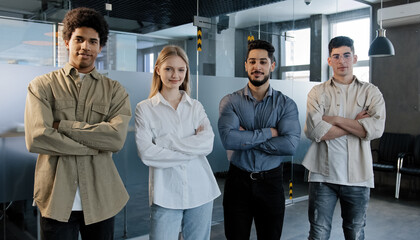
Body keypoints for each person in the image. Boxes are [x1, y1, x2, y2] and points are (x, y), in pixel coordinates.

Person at [24, 7, 131, 240]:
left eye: (93, 41)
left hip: (103, 197)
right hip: (56, 198)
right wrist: (95, 145)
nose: (85, 47)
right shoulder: (42, 86)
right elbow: (37, 137)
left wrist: (62, 126)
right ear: (66, 41)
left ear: (100, 47)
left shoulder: (115, 91)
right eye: (79, 39)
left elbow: (115, 138)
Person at [303, 36, 386, 240]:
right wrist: (356, 124)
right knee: (318, 234)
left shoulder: (371, 92)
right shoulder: (317, 92)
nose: (342, 61)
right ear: (330, 61)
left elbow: (375, 129)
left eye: (346, 55)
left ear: (355, 58)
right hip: (322, 176)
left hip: (359, 176)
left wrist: (334, 119)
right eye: (336, 56)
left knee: (355, 233)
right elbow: (315, 132)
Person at [134, 45, 221, 240]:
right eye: (169, 69)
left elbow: (207, 144)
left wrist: (165, 142)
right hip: (166, 195)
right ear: (158, 69)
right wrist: (192, 149)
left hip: (201, 191)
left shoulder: (195, 106)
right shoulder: (145, 109)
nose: (175, 75)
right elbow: (147, 153)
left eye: (181, 69)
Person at [218, 39, 301, 240]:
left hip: (271, 182)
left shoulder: (286, 104)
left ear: (272, 66)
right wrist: (270, 132)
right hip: (238, 182)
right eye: (252, 61)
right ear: (245, 65)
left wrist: (245, 138)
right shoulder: (231, 101)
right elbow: (229, 140)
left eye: (263, 62)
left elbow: (290, 145)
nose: (257, 67)